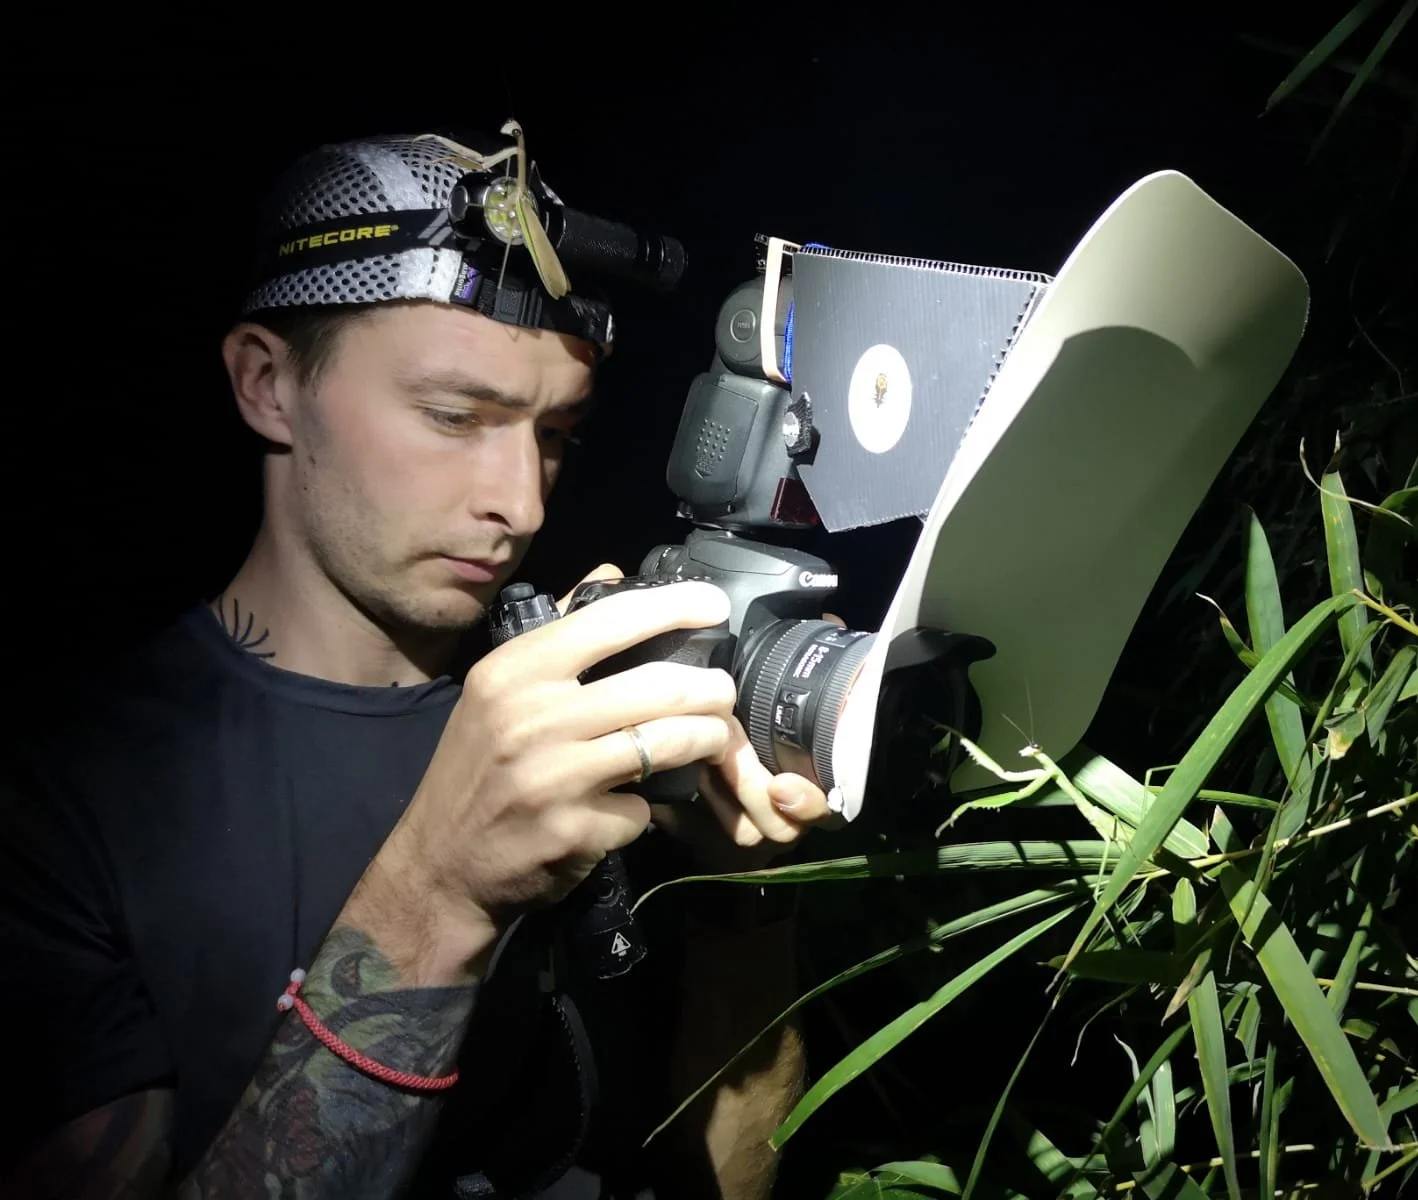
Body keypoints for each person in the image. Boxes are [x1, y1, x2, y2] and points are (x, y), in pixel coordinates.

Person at [0, 124, 843, 1199]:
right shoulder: (55, 812)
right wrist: (439, 894)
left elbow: (714, 1177)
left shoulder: (591, 711)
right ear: (267, 385)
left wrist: (740, 907)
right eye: (455, 417)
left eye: (555, 434)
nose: (522, 502)